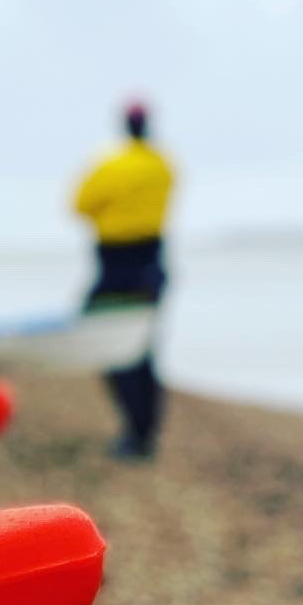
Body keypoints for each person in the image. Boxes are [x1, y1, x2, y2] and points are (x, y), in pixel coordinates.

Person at [72, 101, 176, 459]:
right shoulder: (162, 164)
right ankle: (143, 432)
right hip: (151, 264)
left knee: (112, 346)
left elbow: (80, 204)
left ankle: (136, 435)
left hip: (117, 266)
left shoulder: (111, 165)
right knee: (143, 351)